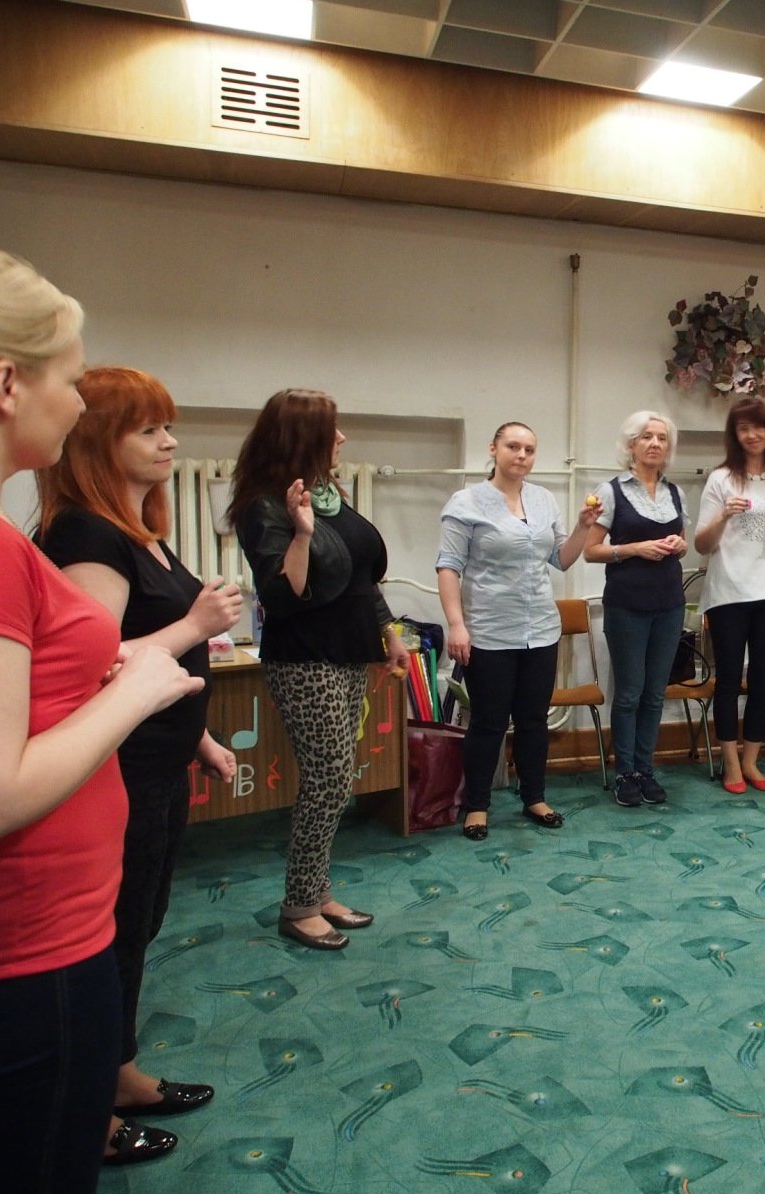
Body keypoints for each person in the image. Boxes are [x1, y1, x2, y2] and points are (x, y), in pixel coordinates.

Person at [0, 248, 202, 1194]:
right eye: (68, 378)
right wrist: (136, 687)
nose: (74, 404)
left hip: (29, 939)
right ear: (6, 384)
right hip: (20, 951)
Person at [36, 367, 243, 1165]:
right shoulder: (86, 535)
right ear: (98, 440)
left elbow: (151, 659)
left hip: (158, 762)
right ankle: (89, 1113)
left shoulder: (136, 528)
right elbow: (92, 667)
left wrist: (200, 739)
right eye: (149, 429)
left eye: (168, 426)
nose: (170, 443)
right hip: (115, 770)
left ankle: (116, 1075)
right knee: (114, 934)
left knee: (140, 924)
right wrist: (195, 622)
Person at [228, 389, 407, 949]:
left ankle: (318, 891)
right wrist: (302, 533)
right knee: (327, 778)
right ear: (302, 437)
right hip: (304, 657)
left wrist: (390, 634)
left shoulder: (329, 494)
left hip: (349, 651)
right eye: (333, 429)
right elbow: (284, 594)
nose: (343, 438)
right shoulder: (264, 506)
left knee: (336, 777)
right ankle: (300, 905)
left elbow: (361, 579)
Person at [439, 420, 599, 834]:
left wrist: (583, 526)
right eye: (513, 446)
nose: (522, 455)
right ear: (493, 449)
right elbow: (449, 567)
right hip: (489, 630)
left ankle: (534, 797)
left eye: (529, 449)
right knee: (488, 722)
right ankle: (477, 805)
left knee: (533, 720)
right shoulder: (466, 502)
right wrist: (456, 624)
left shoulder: (543, 499)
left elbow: (561, 560)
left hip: (540, 630)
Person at [694, 397, 765, 794]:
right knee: (728, 679)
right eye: (743, 429)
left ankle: (751, 761)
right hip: (729, 591)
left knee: (763, 680)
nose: (752, 435)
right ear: (734, 435)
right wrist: (724, 515)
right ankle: (730, 763)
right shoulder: (721, 478)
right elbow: (702, 544)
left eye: (758, 427)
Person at [583, 411, 689, 807]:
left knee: (655, 694)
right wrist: (634, 549)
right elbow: (590, 551)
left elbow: (682, 542)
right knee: (629, 693)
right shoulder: (610, 491)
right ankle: (624, 772)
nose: (655, 444)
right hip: (627, 605)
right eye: (647, 437)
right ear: (632, 445)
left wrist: (680, 545)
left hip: (669, 604)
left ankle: (646, 770)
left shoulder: (675, 492)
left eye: (662, 438)